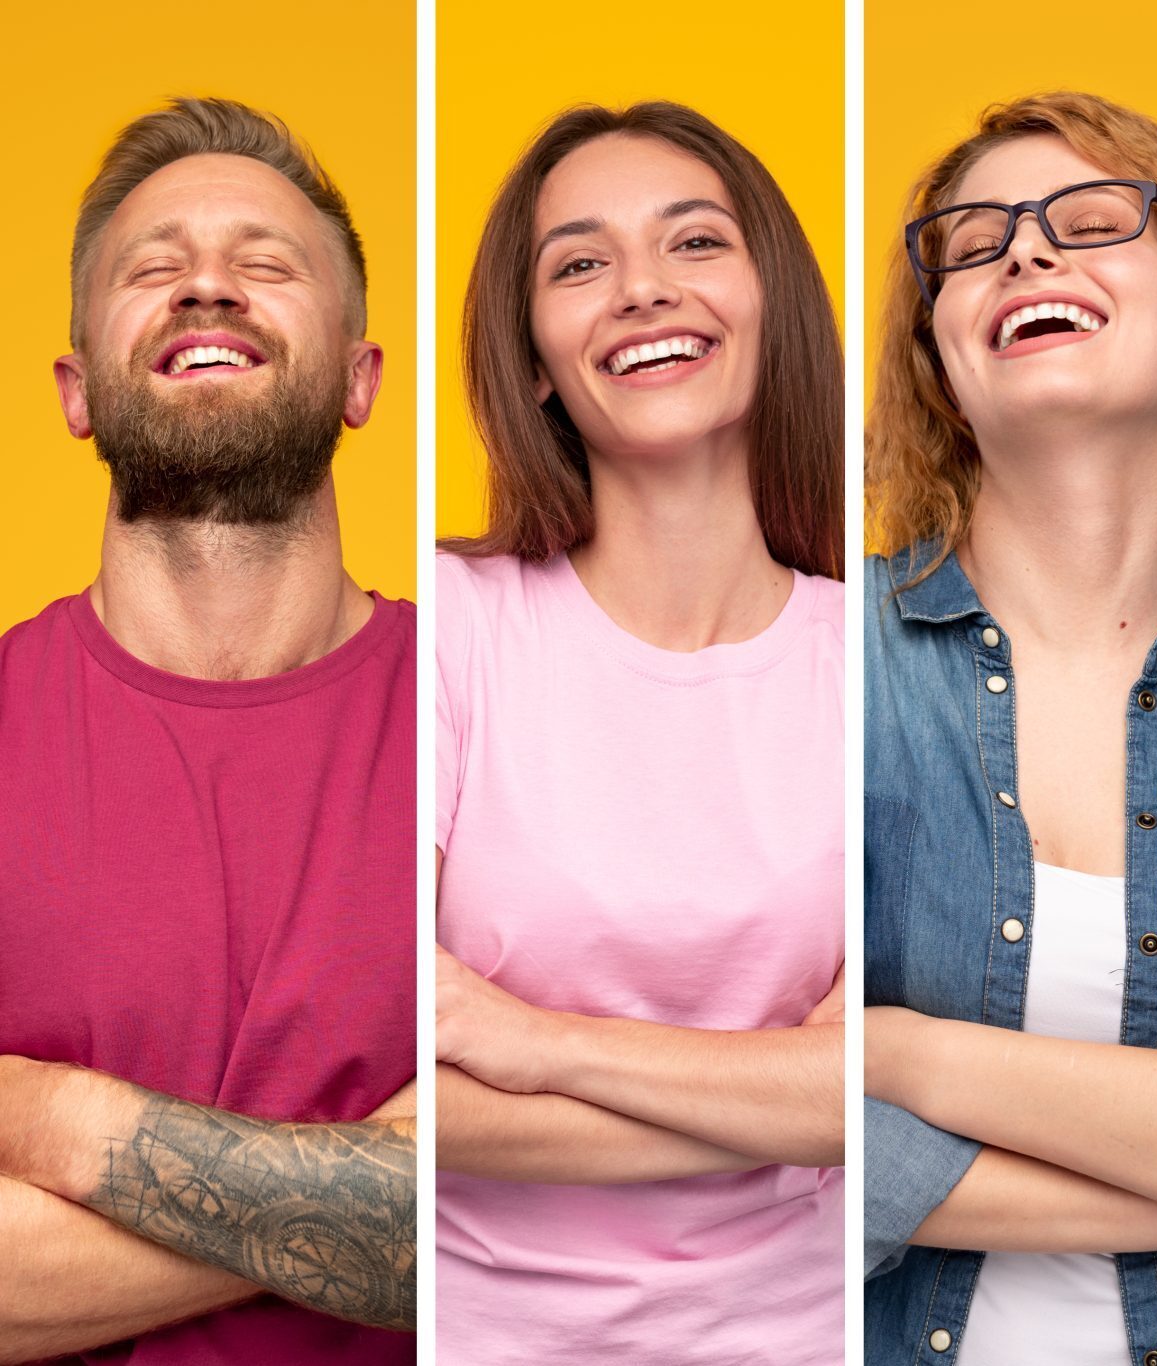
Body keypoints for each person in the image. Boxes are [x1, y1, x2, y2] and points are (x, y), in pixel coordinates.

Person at [0, 98, 417, 1363]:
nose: (208, 289)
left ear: (358, 379)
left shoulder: (500, 712)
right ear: (76, 392)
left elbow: (525, 1207)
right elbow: (430, 1206)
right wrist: (360, 1196)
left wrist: (62, 1124)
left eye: (266, 263)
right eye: (155, 267)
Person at [432, 102, 844, 1365]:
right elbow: (393, 1097)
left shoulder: (884, 655)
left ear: (772, 306)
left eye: (695, 243)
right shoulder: (449, 626)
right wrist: (780, 1099)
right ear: (538, 360)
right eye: (579, 263)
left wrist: (527, 1042)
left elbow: (888, 1082)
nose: (641, 289)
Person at [863, 91, 1157, 1366]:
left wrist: (898, 1054)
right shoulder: (811, 662)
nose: (1024, 254)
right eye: (972, 243)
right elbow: (788, 1147)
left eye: (1092, 222)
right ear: (940, 360)